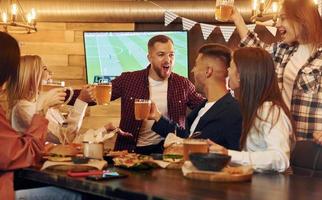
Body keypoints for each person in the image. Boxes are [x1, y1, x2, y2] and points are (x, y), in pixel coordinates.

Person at [78, 35, 205, 154]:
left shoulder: (183, 84)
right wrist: (66, 94)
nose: (168, 59)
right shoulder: (129, 79)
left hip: (168, 152)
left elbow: (206, 108)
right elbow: (95, 95)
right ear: (149, 58)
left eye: (171, 55)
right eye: (161, 54)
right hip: (130, 151)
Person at [231, 0, 322, 140]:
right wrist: (237, 19)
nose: (278, 23)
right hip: (283, 139)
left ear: (302, 19)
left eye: (283, 18)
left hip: (311, 144)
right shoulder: (283, 50)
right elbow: (256, 54)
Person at [0, 32, 74, 199]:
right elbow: (23, 154)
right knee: (76, 195)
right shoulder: (23, 107)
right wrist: (42, 109)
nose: (49, 75)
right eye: (44, 70)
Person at [209, 47, 295, 173]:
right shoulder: (252, 108)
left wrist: (228, 154)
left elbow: (280, 158)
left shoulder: (270, 110)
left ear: (240, 75)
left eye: (231, 66)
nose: (227, 70)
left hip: (271, 190)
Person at [149, 43, 242, 150]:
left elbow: (235, 158)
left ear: (208, 71)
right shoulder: (202, 106)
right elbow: (187, 138)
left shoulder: (235, 111)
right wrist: (157, 117)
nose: (193, 70)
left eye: (196, 65)